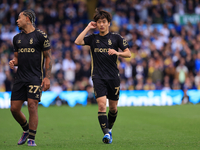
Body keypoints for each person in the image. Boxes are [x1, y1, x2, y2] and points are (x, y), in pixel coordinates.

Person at [74, 8, 131, 144]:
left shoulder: (116, 38)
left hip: (113, 77)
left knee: (113, 108)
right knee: (101, 106)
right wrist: (88, 27)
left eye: (104, 22)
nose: (101, 24)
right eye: (99, 22)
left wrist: (117, 53)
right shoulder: (93, 38)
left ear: (109, 23)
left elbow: (128, 53)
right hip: (98, 77)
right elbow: (77, 41)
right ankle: (106, 134)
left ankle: (109, 129)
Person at [9, 10, 52, 146]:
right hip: (20, 77)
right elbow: (17, 58)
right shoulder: (16, 38)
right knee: (14, 109)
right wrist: (13, 62)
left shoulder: (41, 36)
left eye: (19, 18)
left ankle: (32, 138)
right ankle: (26, 129)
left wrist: (47, 77)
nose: (17, 21)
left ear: (27, 19)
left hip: (34, 77)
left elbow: (48, 58)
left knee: (32, 106)